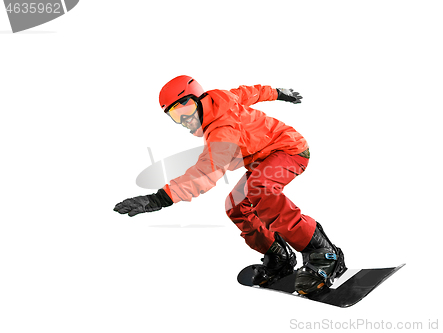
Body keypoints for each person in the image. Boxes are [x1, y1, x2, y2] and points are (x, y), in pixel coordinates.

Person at [113, 75, 346, 296]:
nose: (184, 120)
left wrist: (158, 199)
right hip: (263, 158)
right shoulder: (220, 98)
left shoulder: (222, 129)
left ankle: (323, 253)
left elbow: (206, 173)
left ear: (197, 99)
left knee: (260, 188)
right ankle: (279, 256)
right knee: (235, 206)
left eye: (184, 110)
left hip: (289, 150)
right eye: (175, 115)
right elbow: (250, 93)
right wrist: (278, 93)